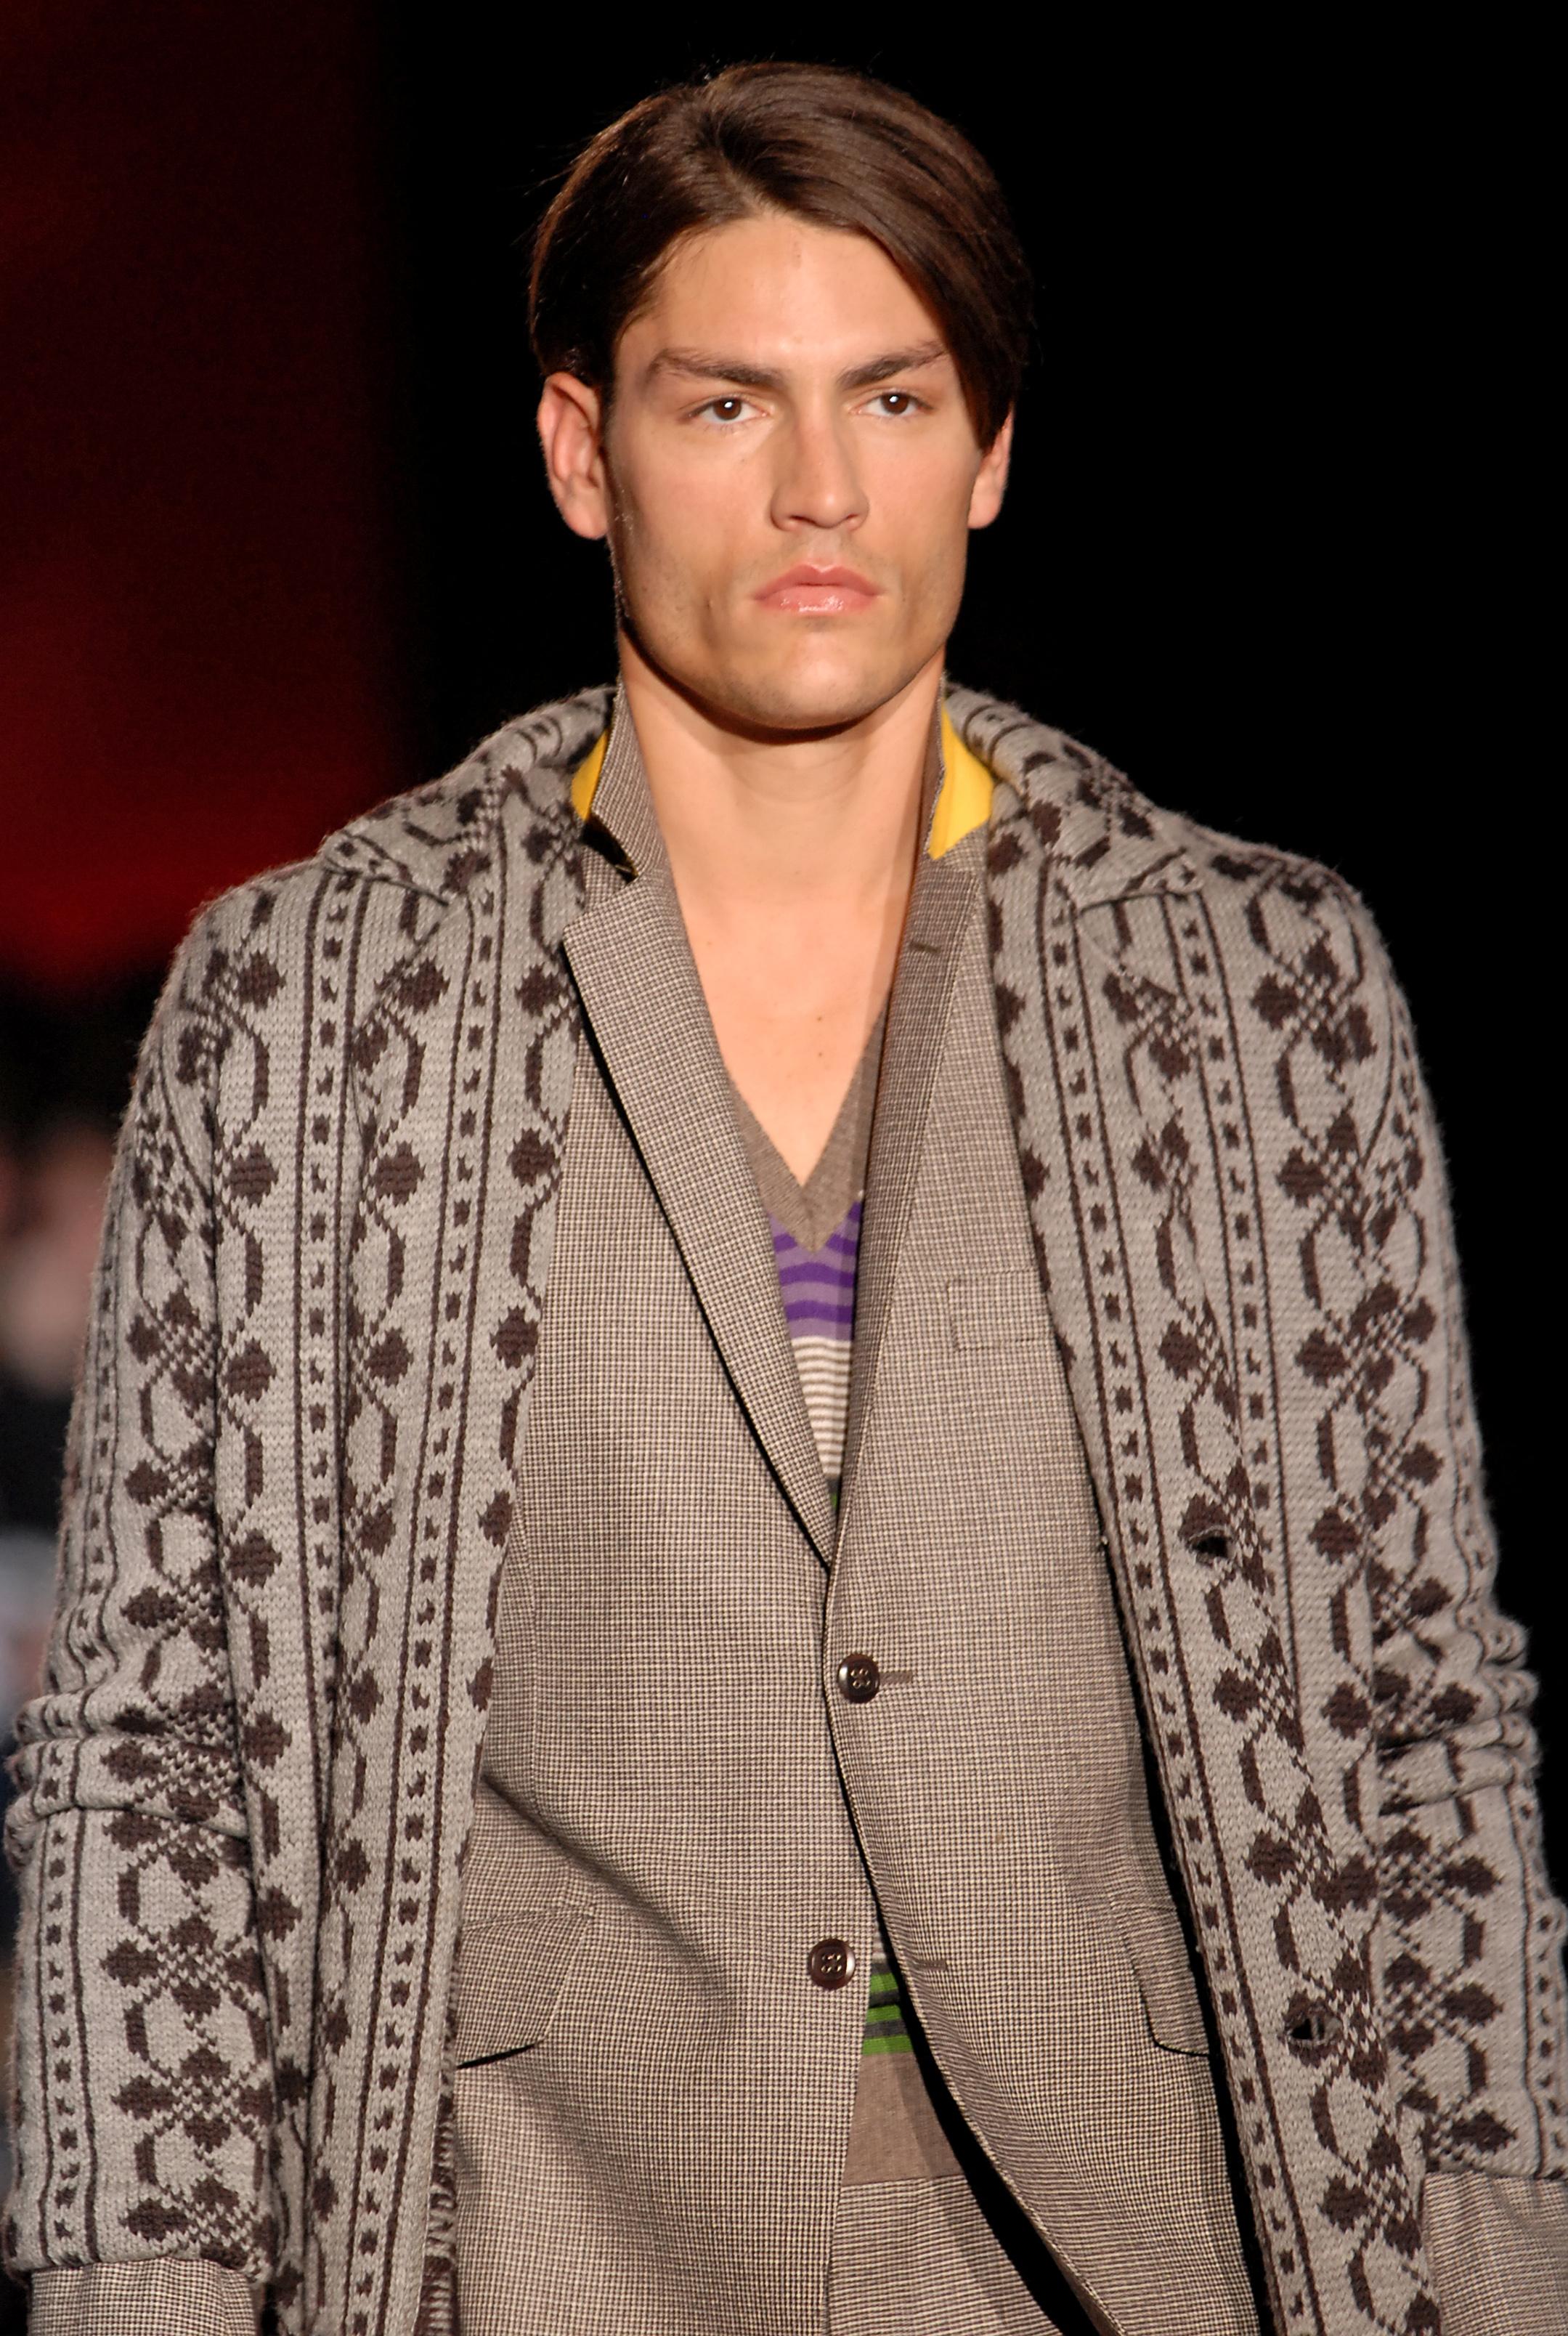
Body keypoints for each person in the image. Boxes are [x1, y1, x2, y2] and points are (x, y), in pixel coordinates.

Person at [4, 60, 1564, 2336]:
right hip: (544, 2243)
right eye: (727, 403)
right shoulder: (324, 995)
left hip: (1136, 2241)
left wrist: (1497, 2274)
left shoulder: (1246, 985)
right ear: (582, 452)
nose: (821, 486)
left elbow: (1416, 1710)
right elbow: (162, 1745)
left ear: (989, 448)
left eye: (894, 397)